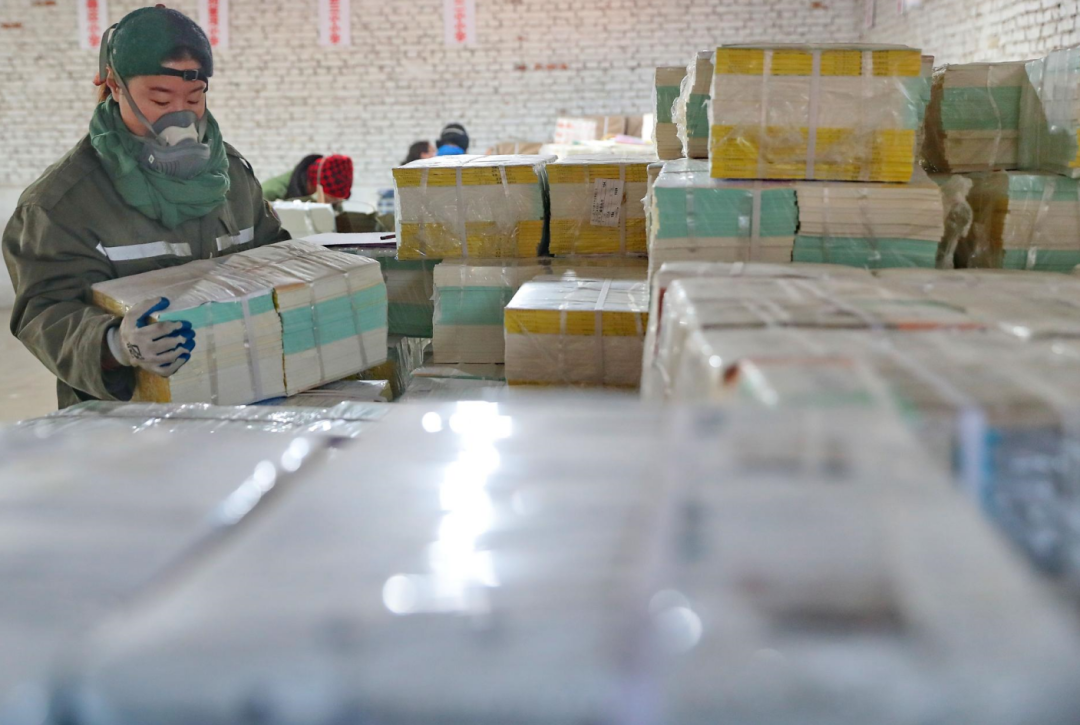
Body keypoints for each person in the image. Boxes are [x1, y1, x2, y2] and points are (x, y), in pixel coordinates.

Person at [2, 6, 288, 409]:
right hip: (126, 421)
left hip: (240, 399)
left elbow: (277, 262)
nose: (181, 116)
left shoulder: (233, 179)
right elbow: (43, 312)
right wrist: (114, 345)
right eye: (160, 98)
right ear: (115, 87)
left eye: (194, 97)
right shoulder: (60, 204)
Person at [261, 153, 354, 204]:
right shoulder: (269, 194)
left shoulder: (334, 201)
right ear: (312, 184)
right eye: (328, 200)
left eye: (336, 202)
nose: (329, 205)